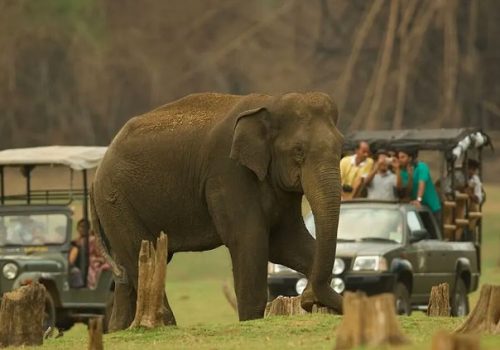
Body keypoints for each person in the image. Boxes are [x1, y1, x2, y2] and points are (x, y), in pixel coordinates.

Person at [397, 148, 442, 224]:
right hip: (415, 208)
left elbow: (422, 183)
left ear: (410, 158)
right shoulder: (402, 172)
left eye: (403, 157)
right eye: (399, 157)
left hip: (431, 208)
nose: (400, 160)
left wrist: (419, 199)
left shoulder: (421, 167)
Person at [68, 218, 89, 288]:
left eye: (85, 227)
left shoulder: (90, 240)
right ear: (77, 228)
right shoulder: (76, 240)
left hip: (86, 263)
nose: (82, 229)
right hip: (78, 262)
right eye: (81, 226)